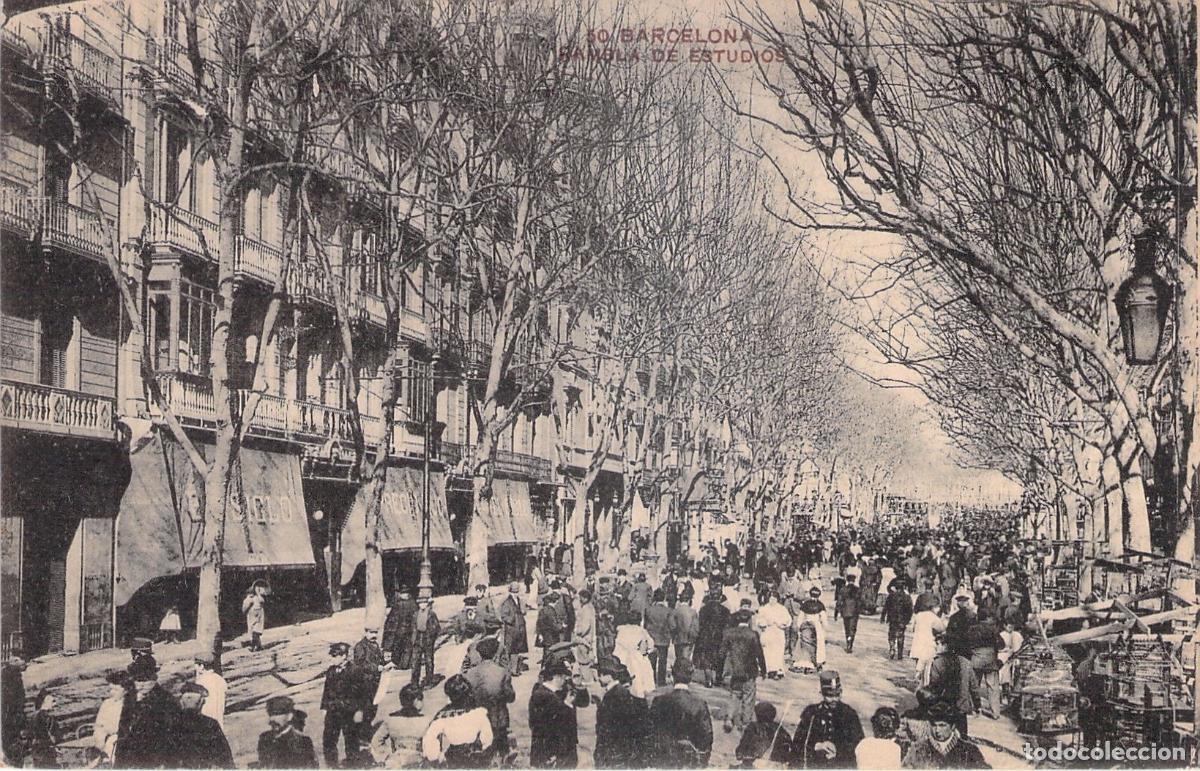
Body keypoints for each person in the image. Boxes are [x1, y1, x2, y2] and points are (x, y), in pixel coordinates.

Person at [113, 655, 179, 768]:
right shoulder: (130, 698)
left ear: (155, 678)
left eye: (146, 680)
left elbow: (173, 736)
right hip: (129, 758)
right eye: (138, 680)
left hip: (154, 759)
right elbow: (123, 729)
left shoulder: (166, 700)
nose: (141, 685)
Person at [648, 658, 713, 768]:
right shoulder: (699, 704)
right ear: (691, 677)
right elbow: (706, 738)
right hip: (688, 762)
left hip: (663, 761)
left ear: (672, 676)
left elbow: (650, 731)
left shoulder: (659, 701)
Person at [793, 670, 865, 768]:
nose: (834, 699)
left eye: (837, 695)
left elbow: (860, 745)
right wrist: (817, 746)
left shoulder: (849, 714)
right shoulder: (811, 713)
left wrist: (838, 751)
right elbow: (798, 742)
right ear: (822, 693)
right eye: (830, 695)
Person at [420, 675, 493, 767]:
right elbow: (487, 739)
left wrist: (436, 756)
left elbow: (430, 740)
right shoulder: (478, 713)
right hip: (474, 759)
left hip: (452, 760)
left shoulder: (442, 716)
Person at [528, 660, 589, 768]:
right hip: (551, 751)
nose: (566, 680)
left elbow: (584, 702)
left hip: (567, 747)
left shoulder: (562, 690)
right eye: (564, 677)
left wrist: (579, 686)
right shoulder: (541, 694)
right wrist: (566, 704)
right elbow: (545, 724)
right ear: (556, 677)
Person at [462, 637, 515, 759]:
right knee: (500, 751)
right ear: (495, 652)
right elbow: (510, 696)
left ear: (479, 653)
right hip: (498, 718)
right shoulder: (502, 672)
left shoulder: (469, 673)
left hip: (476, 718)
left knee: (478, 751)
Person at [718, 608, 767, 735]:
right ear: (749, 620)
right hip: (749, 671)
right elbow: (759, 654)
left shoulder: (729, 633)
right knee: (748, 697)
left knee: (735, 694)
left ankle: (729, 718)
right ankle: (745, 723)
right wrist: (764, 669)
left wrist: (720, 672)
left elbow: (721, 653)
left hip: (735, 670)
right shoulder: (753, 634)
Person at [593, 658, 649, 768]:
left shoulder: (613, 695)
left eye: (601, 674)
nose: (598, 678)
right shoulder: (619, 692)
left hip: (614, 752)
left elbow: (608, 727)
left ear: (609, 676)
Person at [901, 701, 989, 769]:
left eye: (942, 725)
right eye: (934, 725)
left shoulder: (969, 751)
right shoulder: (918, 750)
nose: (937, 730)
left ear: (953, 726)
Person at [321, 641, 368, 766]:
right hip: (332, 711)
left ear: (344, 656)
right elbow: (326, 690)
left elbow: (362, 694)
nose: (332, 659)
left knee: (351, 740)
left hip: (349, 712)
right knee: (329, 740)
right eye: (332, 656)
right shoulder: (331, 671)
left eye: (335, 656)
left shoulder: (355, 671)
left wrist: (359, 711)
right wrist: (324, 707)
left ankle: (353, 765)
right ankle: (332, 765)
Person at [925, 634, 976, 738]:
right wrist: (977, 704)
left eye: (938, 644)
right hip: (961, 706)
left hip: (945, 705)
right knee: (962, 736)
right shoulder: (966, 663)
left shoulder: (938, 662)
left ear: (946, 646)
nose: (936, 646)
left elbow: (934, 687)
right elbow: (974, 686)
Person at [173, 682, 234, 768]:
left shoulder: (171, 724)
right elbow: (225, 758)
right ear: (201, 703)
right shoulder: (210, 724)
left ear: (181, 703)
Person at [257, 695, 319, 768]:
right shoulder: (264, 739)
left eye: (277, 714)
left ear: (289, 716)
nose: (271, 719)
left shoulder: (303, 742)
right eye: (270, 714)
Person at [966, 609, 1004, 719]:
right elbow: (1002, 645)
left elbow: (967, 643)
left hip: (976, 659)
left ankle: (973, 709)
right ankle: (995, 712)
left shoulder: (972, 629)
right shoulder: (993, 629)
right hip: (991, 660)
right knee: (993, 687)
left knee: (974, 685)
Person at [734, 701, 793, 768]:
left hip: (754, 763)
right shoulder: (779, 728)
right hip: (775, 764)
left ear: (757, 715)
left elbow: (744, 744)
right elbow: (789, 743)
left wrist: (740, 754)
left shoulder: (753, 726)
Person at [93, 670, 134, 764]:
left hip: (122, 743)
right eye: (110, 689)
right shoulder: (107, 704)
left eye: (116, 690)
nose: (112, 692)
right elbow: (99, 725)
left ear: (126, 690)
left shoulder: (131, 705)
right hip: (104, 742)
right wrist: (100, 738)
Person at [694, 589, 730, 687]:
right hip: (719, 637)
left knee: (707, 658)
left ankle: (708, 679)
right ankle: (718, 678)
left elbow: (700, 624)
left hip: (706, 637)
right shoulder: (725, 611)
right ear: (720, 598)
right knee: (720, 657)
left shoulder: (703, 610)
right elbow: (727, 625)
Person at [792, 587, 828, 674]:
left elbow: (800, 617)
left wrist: (799, 626)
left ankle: (804, 662)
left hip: (806, 625)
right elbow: (824, 619)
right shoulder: (820, 605)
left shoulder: (805, 604)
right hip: (817, 626)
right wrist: (825, 629)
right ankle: (817, 661)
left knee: (804, 643)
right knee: (818, 643)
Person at [756, 591, 791, 679]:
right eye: (771, 599)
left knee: (778, 651)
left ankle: (777, 670)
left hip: (778, 632)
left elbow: (788, 619)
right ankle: (768, 670)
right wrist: (764, 623)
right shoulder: (764, 609)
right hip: (768, 631)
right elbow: (759, 620)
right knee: (768, 651)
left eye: (774, 599)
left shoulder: (782, 609)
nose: (772, 601)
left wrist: (781, 623)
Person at [383, 588, 418, 670]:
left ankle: (400, 663)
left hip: (400, 630)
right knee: (406, 648)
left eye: (404, 593)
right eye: (403, 593)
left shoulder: (398, 604)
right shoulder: (413, 603)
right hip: (407, 630)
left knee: (400, 647)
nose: (403, 595)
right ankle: (405, 664)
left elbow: (392, 618)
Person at [643, 589, 672, 686]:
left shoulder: (648, 610)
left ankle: (651, 679)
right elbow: (671, 625)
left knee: (652, 660)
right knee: (663, 660)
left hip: (652, 638)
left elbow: (645, 625)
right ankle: (661, 681)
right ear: (663, 598)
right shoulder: (668, 611)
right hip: (663, 638)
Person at [911, 602, 945, 683]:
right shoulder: (934, 617)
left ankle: (919, 680)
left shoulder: (919, 615)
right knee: (927, 669)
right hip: (928, 645)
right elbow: (942, 629)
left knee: (919, 664)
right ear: (934, 607)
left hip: (917, 644)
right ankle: (925, 686)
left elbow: (913, 628)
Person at [2, 654, 28, 765]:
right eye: (19, 660)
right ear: (13, 662)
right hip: (10, 711)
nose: (23, 663)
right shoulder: (11, 676)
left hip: (12, 710)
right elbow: (12, 696)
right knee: (11, 734)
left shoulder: (12, 673)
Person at [499, 582, 529, 676]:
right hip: (511, 630)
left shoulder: (520, 600)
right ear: (510, 592)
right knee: (509, 650)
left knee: (516, 650)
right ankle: (508, 670)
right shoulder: (507, 602)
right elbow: (503, 615)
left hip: (520, 628)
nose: (515, 594)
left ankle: (514, 670)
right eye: (513, 592)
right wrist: (511, 620)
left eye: (516, 592)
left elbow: (523, 611)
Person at [881, 578, 915, 660]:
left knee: (891, 635)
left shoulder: (891, 596)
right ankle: (900, 654)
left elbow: (886, 607)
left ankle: (892, 648)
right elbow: (910, 609)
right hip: (902, 620)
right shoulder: (907, 597)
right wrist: (908, 619)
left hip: (892, 619)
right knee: (901, 636)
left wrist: (883, 617)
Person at [412, 596, 441, 688]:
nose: (422, 605)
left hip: (427, 639)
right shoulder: (416, 614)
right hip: (418, 638)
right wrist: (413, 639)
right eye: (420, 603)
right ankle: (414, 682)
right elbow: (413, 627)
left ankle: (429, 681)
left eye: (424, 603)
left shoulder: (431, 614)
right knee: (415, 661)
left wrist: (431, 637)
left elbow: (437, 628)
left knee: (429, 661)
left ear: (427, 604)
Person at [193, 654, 227, 728]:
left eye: (196, 665)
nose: (195, 669)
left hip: (205, 725)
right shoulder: (221, 680)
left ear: (202, 666)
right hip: (219, 725)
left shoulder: (201, 683)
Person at [28, 690, 59, 768]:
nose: (55, 704)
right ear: (46, 701)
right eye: (53, 701)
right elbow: (51, 736)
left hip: (36, 751)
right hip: (46, 751)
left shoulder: (33, 716)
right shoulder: (48, 717)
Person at [573, 589, 596, 674]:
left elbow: (585, 626)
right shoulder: (590, 607)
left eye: (580, 598)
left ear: (585, 598)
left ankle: (586, 679)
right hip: (588, 638)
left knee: (583, 661)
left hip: (584, 639)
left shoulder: (586, 609)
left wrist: (577, 632)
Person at [838, 574, 862, 652]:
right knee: (852, 628)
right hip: (854, 612)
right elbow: (860, 602)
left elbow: (839, 601)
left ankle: (848, 641)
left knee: (847, 628)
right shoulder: (858, 589)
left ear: (847, 580)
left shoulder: (843, 589)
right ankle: (850, 644)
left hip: (845, 611)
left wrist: (837, 611)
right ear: (854, 580)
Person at [243, 583, 267, 651]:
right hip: (251, 617)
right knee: (254, 632)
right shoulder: (247, 600)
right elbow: (244, 609)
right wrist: (248, 604)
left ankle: (255, 646)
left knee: (256, 632)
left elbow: (262, 601)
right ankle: (257, 646)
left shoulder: (258, 598)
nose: (251, 594)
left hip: (259, 617)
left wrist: (259, 594)